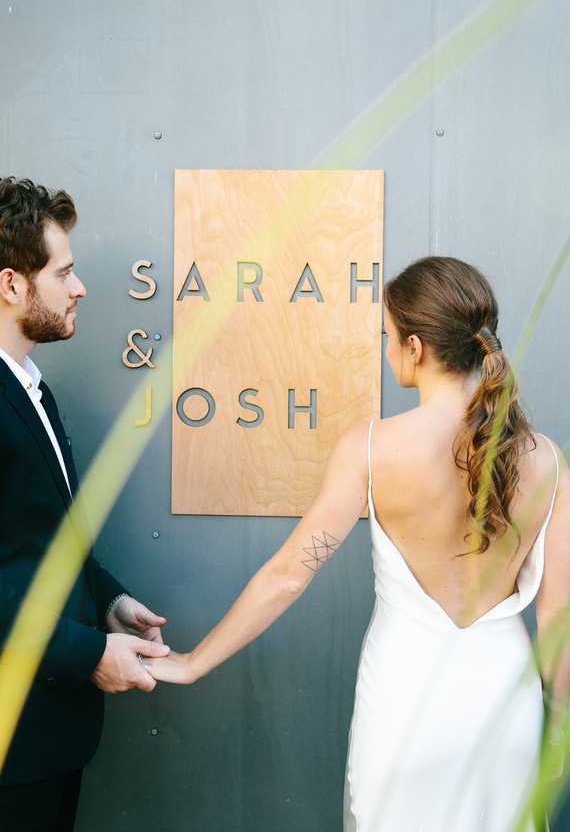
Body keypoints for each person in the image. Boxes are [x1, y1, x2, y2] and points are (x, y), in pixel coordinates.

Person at [145, 256, 569, 831]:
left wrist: (193, 663)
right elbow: (558, 616)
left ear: (415, 347)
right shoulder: (545, 457)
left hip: (406, 702)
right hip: (505, 708)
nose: (386, 349)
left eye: (388, 338)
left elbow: (289, 574)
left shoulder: (372, 448)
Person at [0, 176, 170, 832]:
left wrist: (108, 600)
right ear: (12, 285)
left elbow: (40, 544)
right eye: (64, 272)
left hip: (45, 745)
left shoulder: (32, 389)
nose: (79, 288)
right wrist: (91, 653)